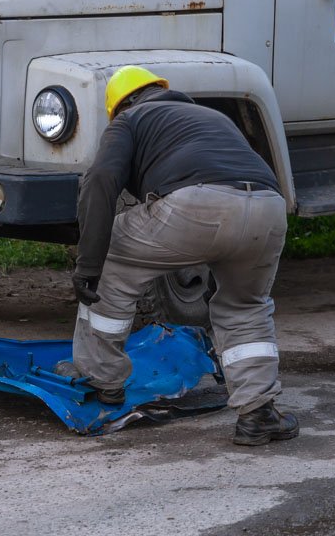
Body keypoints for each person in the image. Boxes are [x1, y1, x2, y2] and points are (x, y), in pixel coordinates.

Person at [60, 65, 299, 446]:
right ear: (162, 90)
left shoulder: (130, 120)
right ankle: (258, 414)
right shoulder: (211, 116)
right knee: (244, 305)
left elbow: (101, 180)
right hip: (268, 208)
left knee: (110, 258)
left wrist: (88, 264)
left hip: (196, 205)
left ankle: (102, 381)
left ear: (118, 107)